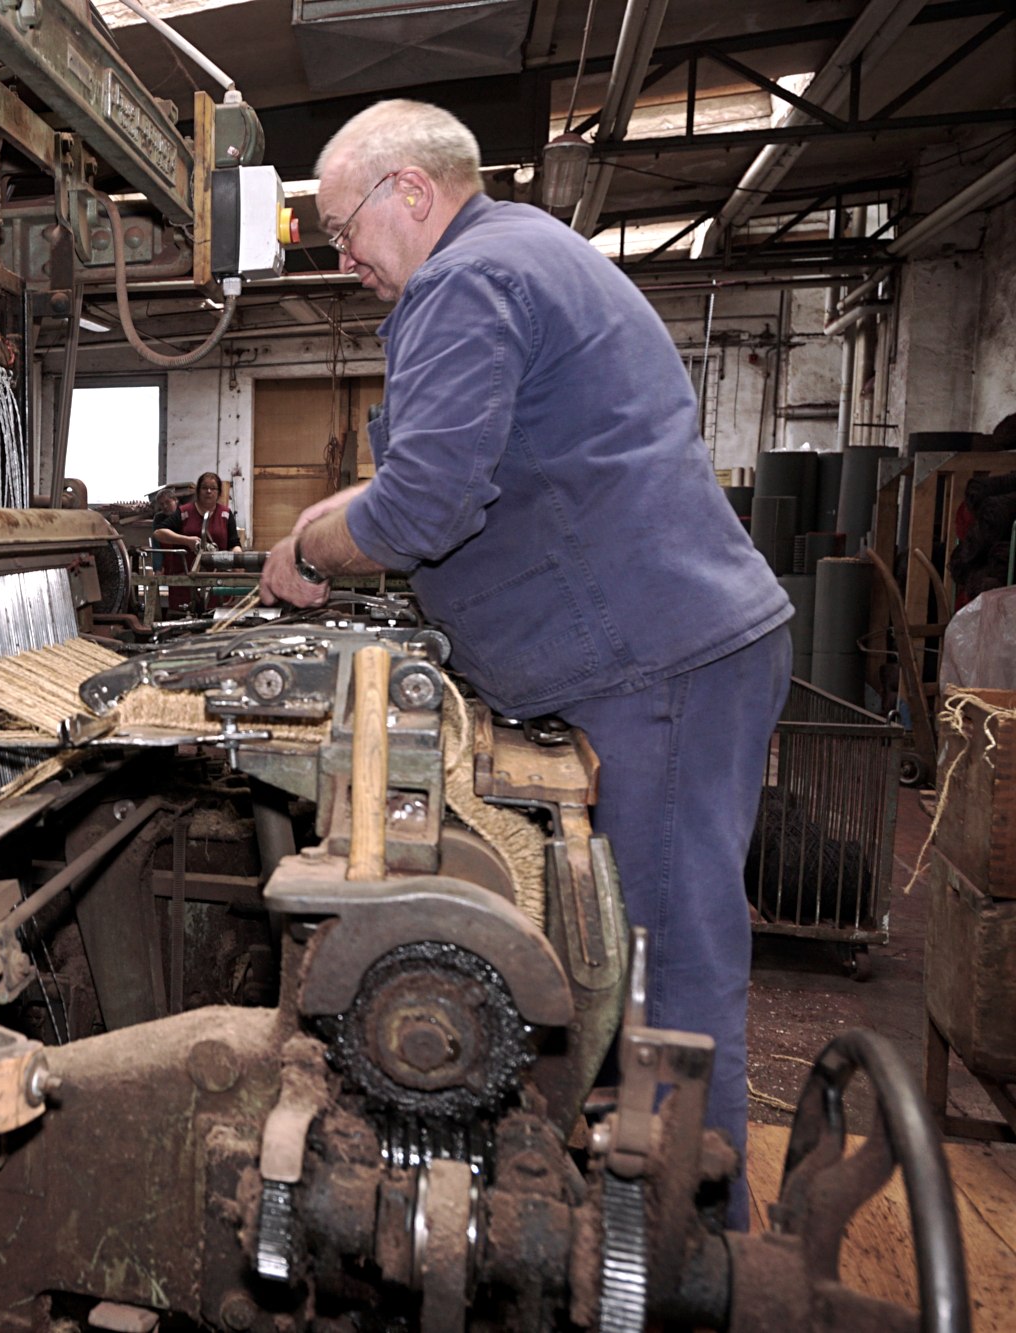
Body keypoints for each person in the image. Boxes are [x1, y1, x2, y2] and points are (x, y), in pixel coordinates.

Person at [258, 99, 791, 1226]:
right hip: (656, 653)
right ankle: (640, 1213)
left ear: (410, 190)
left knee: (665, 971)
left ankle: (694, 1253)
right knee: (637, 960)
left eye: (343, 229)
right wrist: (333, 512)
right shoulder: (523, 252)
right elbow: (464, 466)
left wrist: (309, 549)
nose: (343, 259)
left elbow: (422, 508)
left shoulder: (466, 281)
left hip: (651, 663)